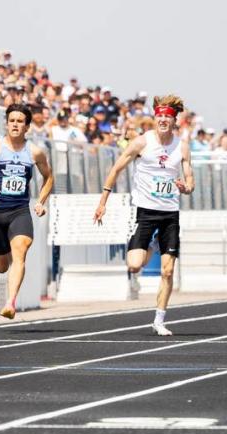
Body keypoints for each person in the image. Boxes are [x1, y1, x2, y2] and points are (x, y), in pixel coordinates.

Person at [93, 95, 195, 336]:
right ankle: (151, 245)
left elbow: (190, 179)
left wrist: (186, 187)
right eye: (159, 116)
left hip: (170, 214)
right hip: (146, 212)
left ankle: (159, 320)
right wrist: (102, 202)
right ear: (154, 118)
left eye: (167, 117)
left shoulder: (181, 146)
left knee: (167, 271)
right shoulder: (141, 142)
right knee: (134, 265)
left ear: (174, 121)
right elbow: (117, 168)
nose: (162, 120)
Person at [0, 103, 54, 318]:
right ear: (6, 124)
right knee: (1, 266)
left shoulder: (35, 152)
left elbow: (49, 178)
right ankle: (3, 253)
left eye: (20, 121)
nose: (15, 125)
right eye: (12, 121)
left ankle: (10, 302)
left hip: (20, 211)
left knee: (20, 251)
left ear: (27, 126)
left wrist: (41, 201)